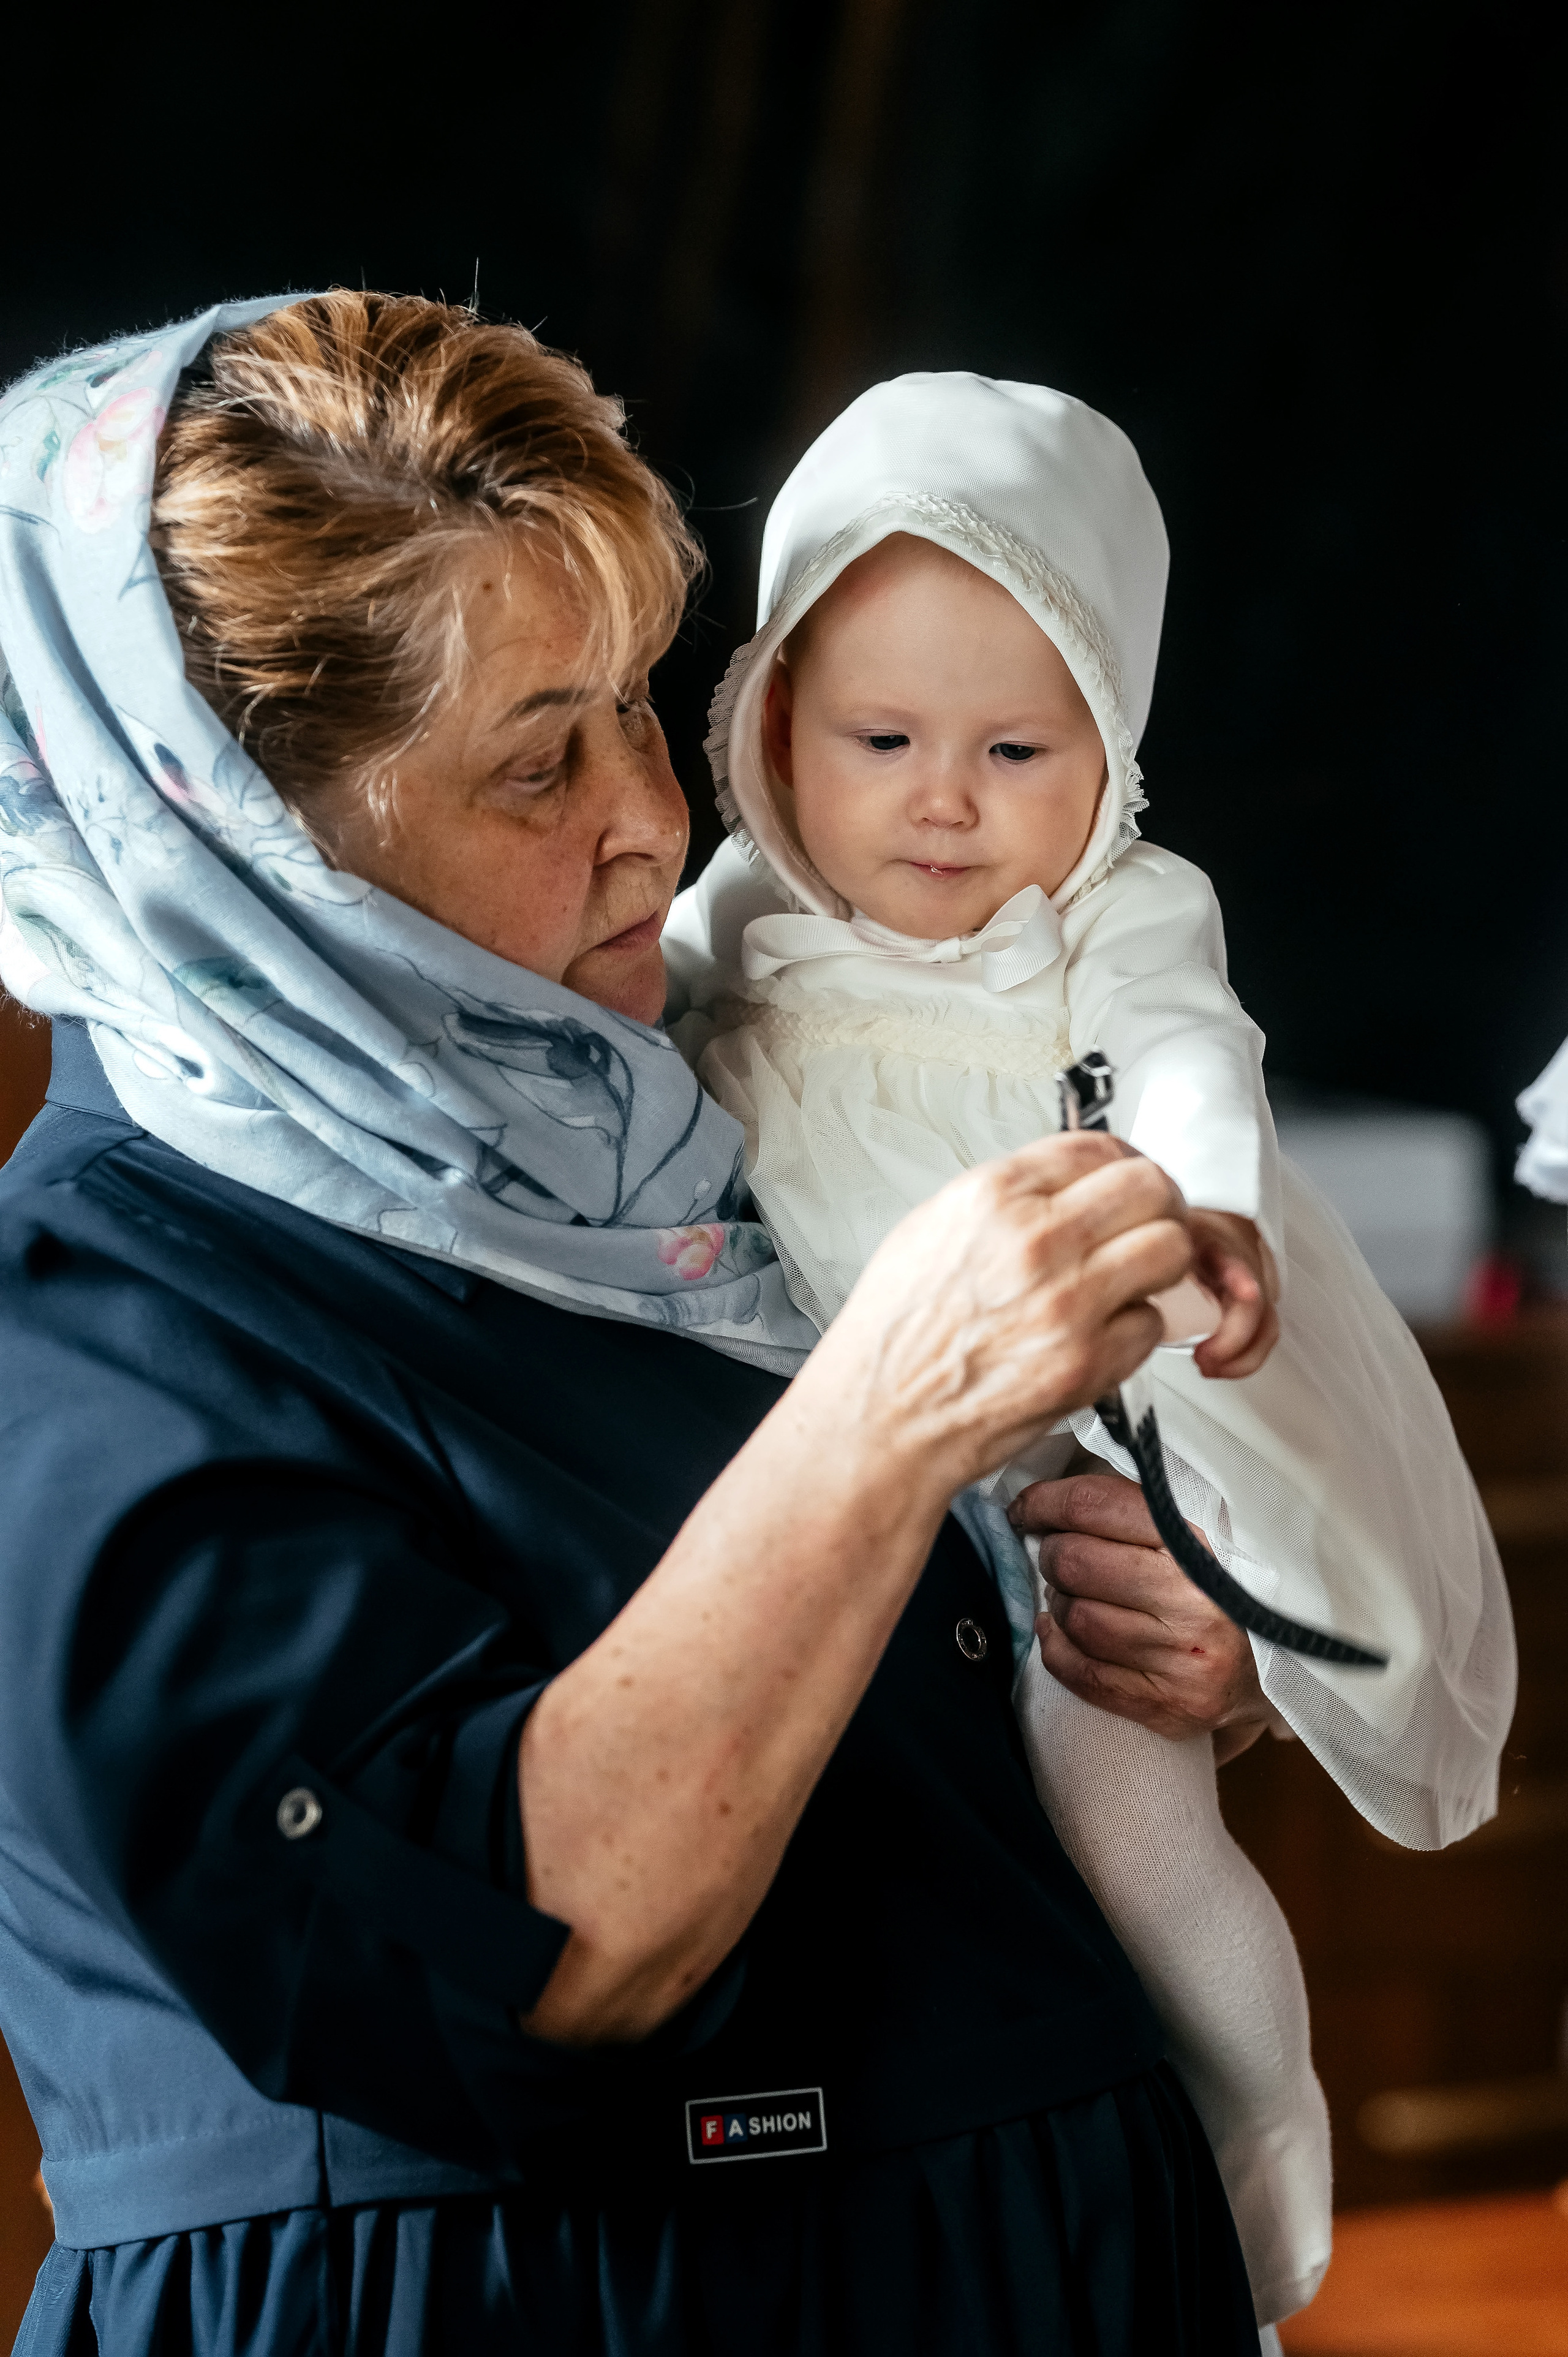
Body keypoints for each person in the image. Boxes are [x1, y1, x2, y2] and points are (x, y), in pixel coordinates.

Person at [0, 293, 1278, 2356]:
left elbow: (928, 1754)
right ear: (234, 844)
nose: (657, 822)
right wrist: (885, 1417)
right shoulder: (88, 1329)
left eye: (638, 709)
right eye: (536, 763)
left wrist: (1161, 1650)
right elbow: (528, 1955)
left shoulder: (700, 1118)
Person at [663, 373, 1520, 2334]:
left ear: (1111, 755)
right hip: (817, 1460)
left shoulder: (1117, 922)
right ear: (771, 721)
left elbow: (1199, 1066)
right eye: (881, 738)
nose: (945, 799)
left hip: (1075, 1448)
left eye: (1019, 747)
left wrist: (1204, 1209)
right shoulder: (727, 925)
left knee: (1129, 1811)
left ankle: (1262, 2148)